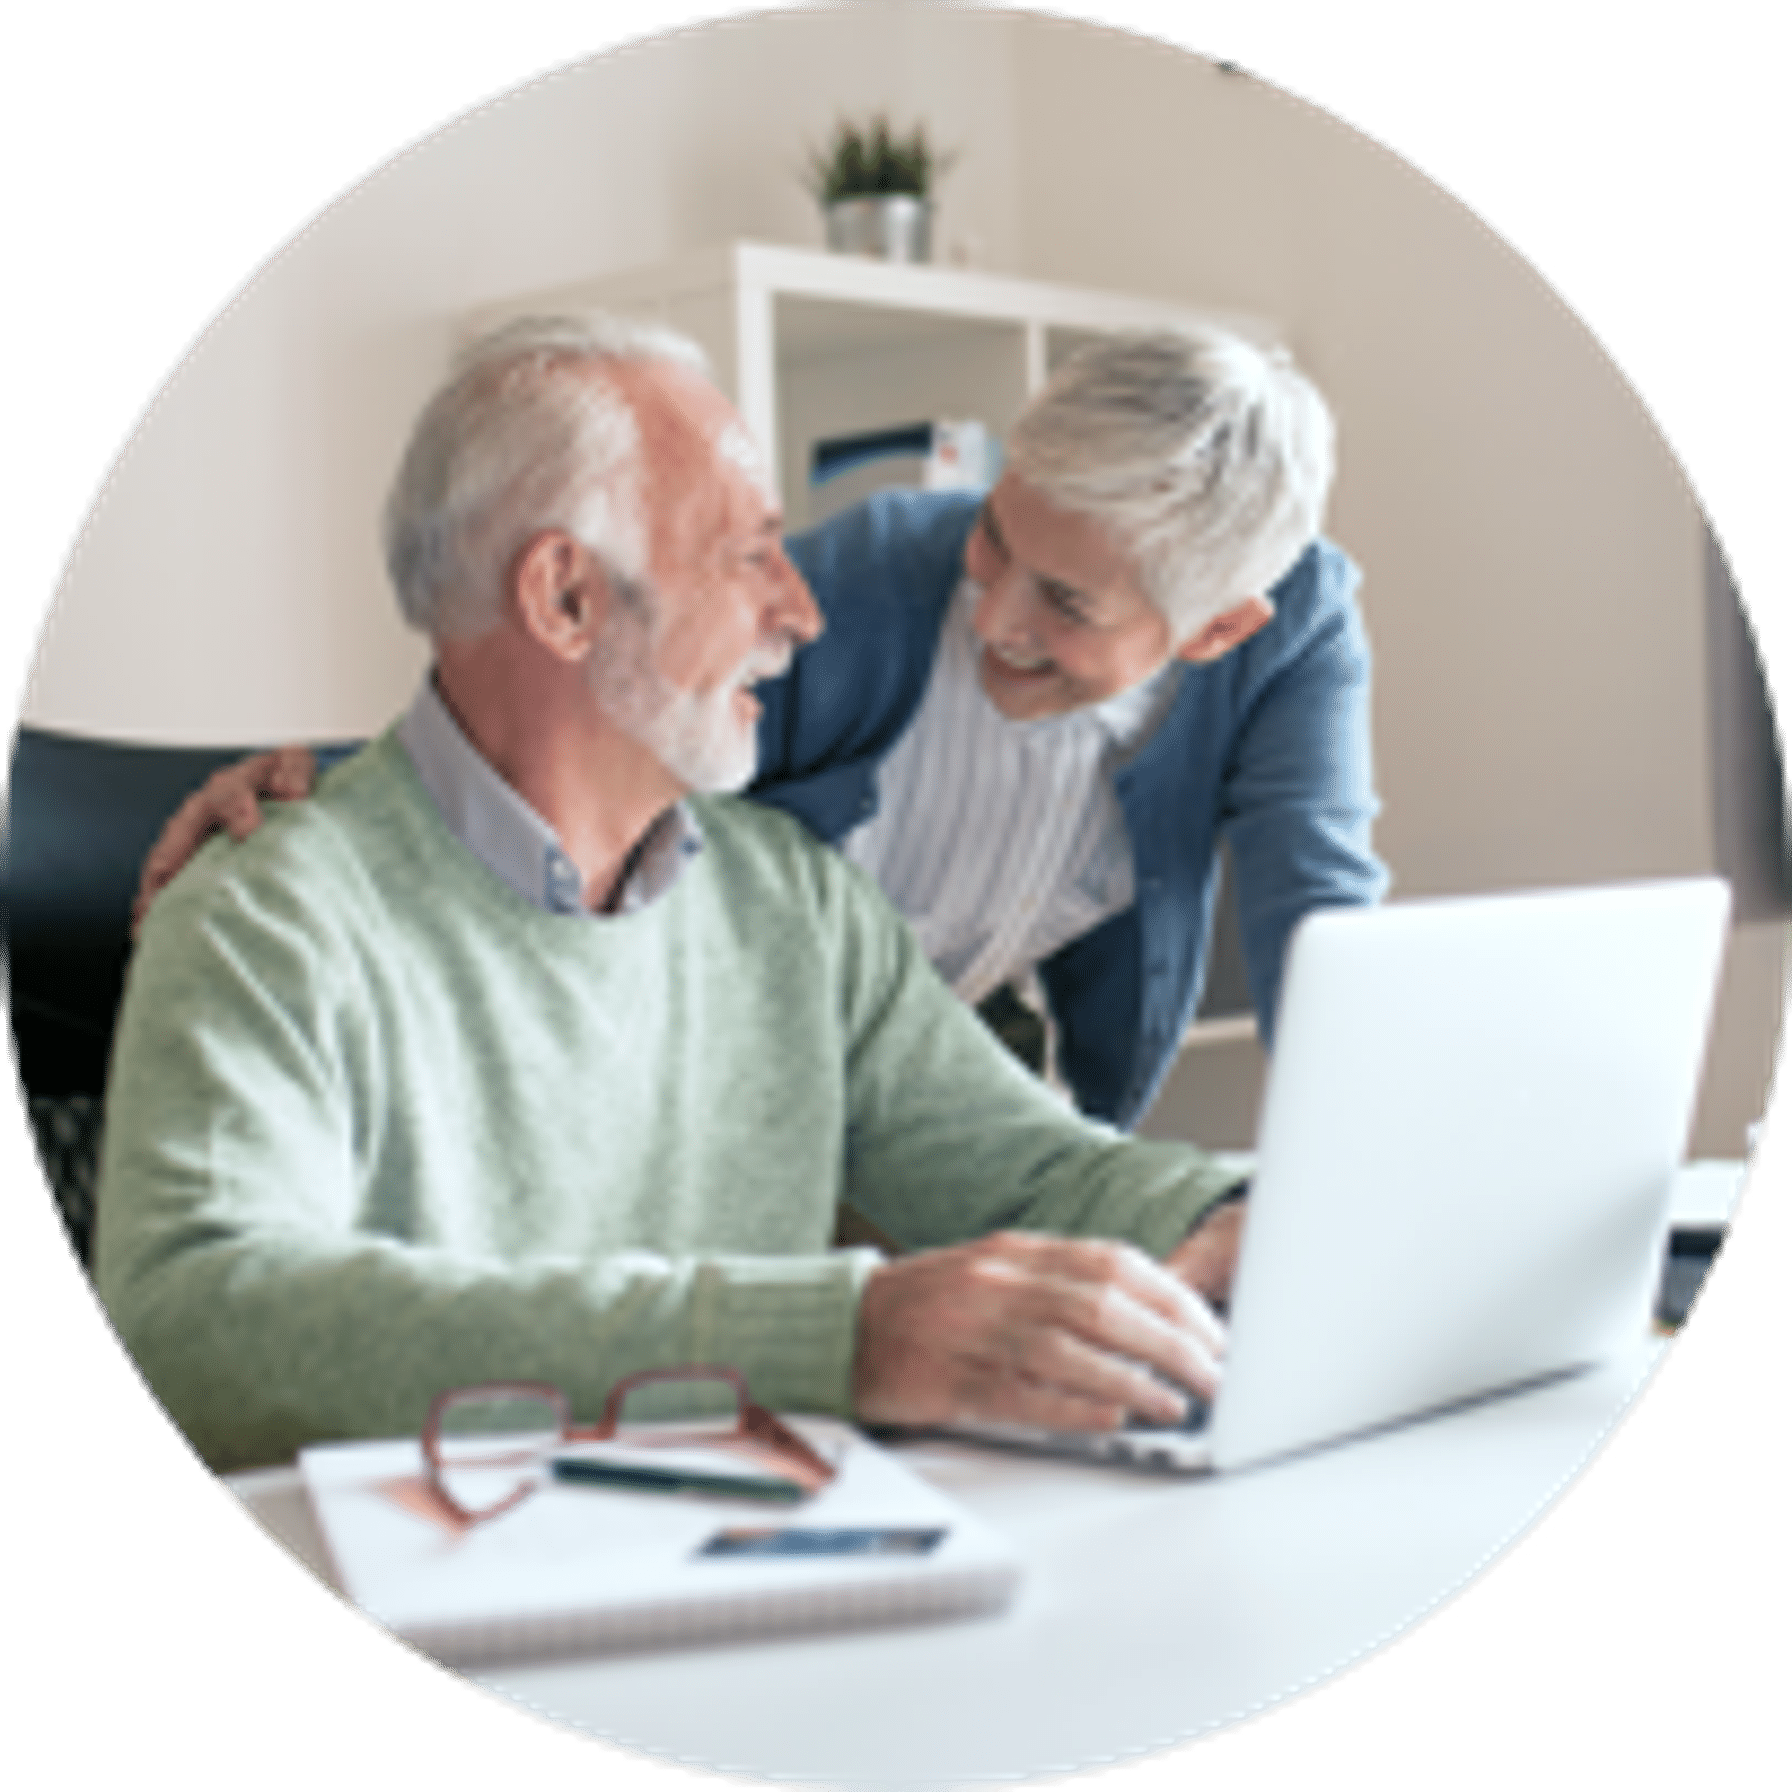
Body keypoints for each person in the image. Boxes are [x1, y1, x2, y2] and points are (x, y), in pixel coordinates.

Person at [95, 317, 1243, 1475]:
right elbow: (200, 1320)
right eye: (749, 555)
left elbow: (1039, 1172)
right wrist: (832, 1339)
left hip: (757, 1574)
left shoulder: (794, 905)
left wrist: (1250, 1214)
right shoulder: (266, 914)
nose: (800, 610)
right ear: (565, 598)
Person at [133, 328, 1386, 1139]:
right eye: (994, 531)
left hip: (959, 1079)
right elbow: (586, 731)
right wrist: (343, 782)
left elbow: (1322, 942)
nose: (991, 610)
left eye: (1063, 603)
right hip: (729, 1092)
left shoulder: (1293, 634)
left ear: (1215, 629)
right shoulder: (883, 582)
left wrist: (1363, 1188)